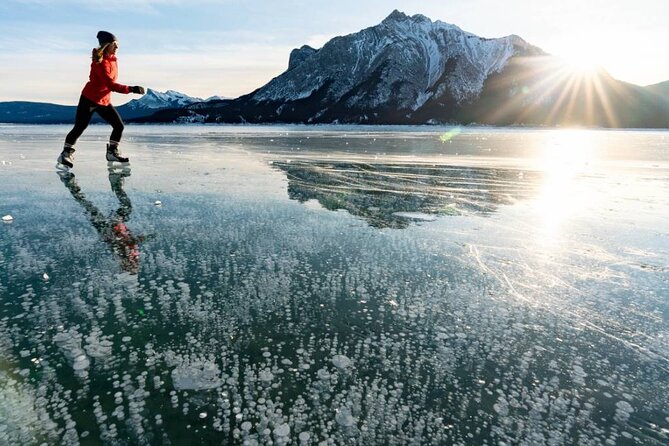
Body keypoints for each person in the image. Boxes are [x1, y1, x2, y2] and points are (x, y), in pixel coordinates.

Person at [57, 31, 145, 169]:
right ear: (108, 45)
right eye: (115, 44)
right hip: (89, 99)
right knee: (80, 127)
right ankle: (65, 154)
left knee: (119, 125)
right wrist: (131, 89)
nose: (117, 47)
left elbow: (108, 86)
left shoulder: (112, 60)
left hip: (103, 100)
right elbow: (110, 84)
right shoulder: (100, 62)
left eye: (117, 45)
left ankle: (112, 152)